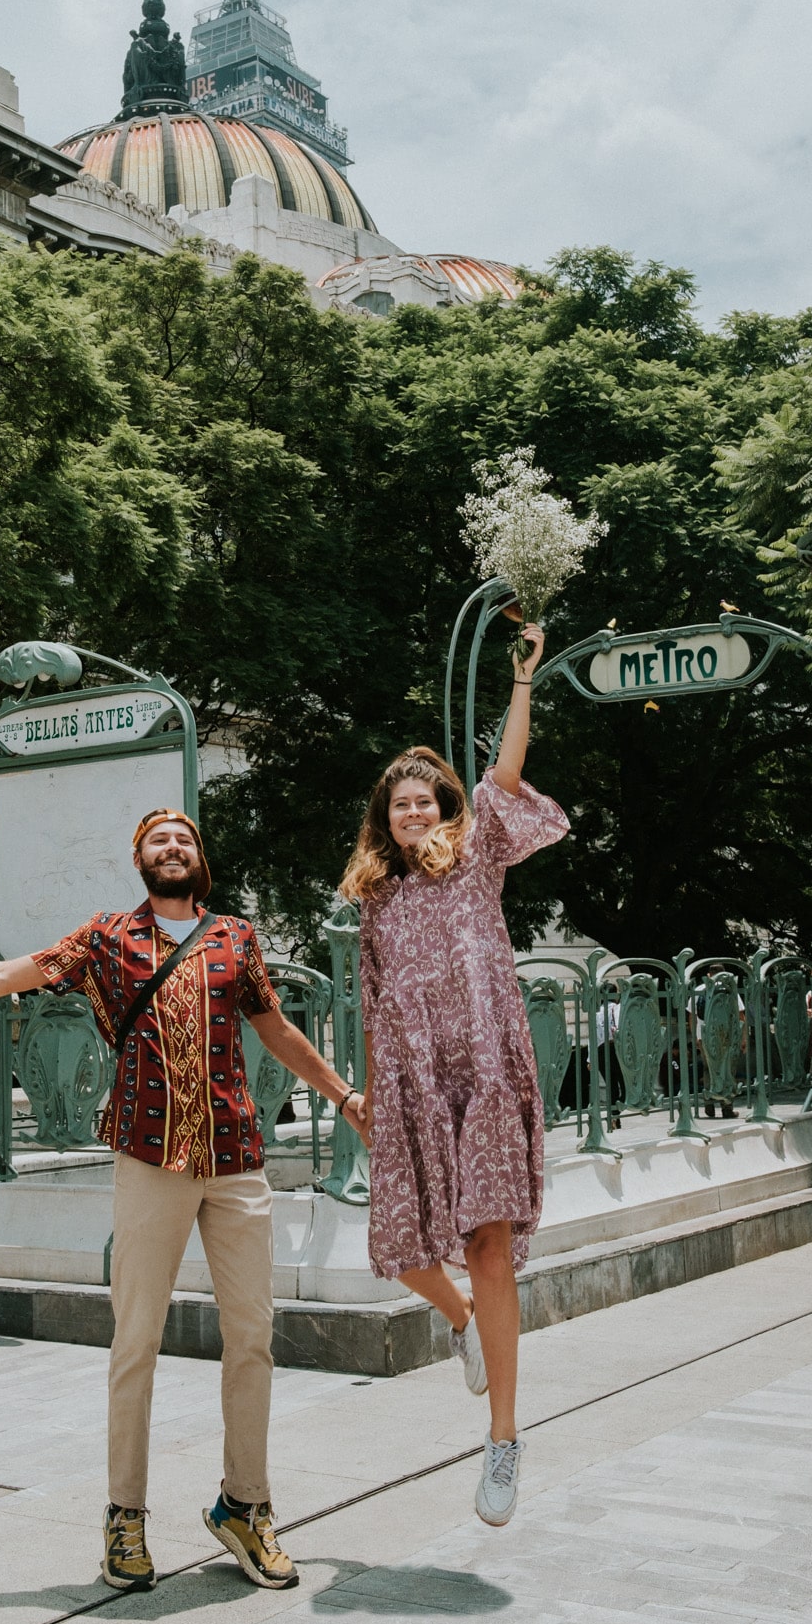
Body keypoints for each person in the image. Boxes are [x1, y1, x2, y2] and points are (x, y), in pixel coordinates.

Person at [0, 807, 365, 1595]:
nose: (173, 846)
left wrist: (343, 1094)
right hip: (149, 1154)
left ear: (200, 858)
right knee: (135, 1341)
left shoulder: (236, 938)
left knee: (252, 1335)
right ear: (139, 860)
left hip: (235, 1157)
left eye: (184, 838)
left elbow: (277, 1029)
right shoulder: (105, 938)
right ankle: (125, 1517)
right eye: (159, 840)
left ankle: (245, 1506)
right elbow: (5, 975)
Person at [340, 621, 569, 1530]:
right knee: (399, 1248)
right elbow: (370, 1001)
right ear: (383, 821)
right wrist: (362, 1094)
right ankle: (463, 1322)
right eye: (399, 806)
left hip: (482, 1068)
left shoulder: (475, 858)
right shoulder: (375, 901)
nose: (414, 814)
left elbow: (503, 777)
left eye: (425, 801)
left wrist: (521, 684)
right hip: (409, 1082)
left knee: (486, 1247)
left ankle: (503, 1438)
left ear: (442, 809)